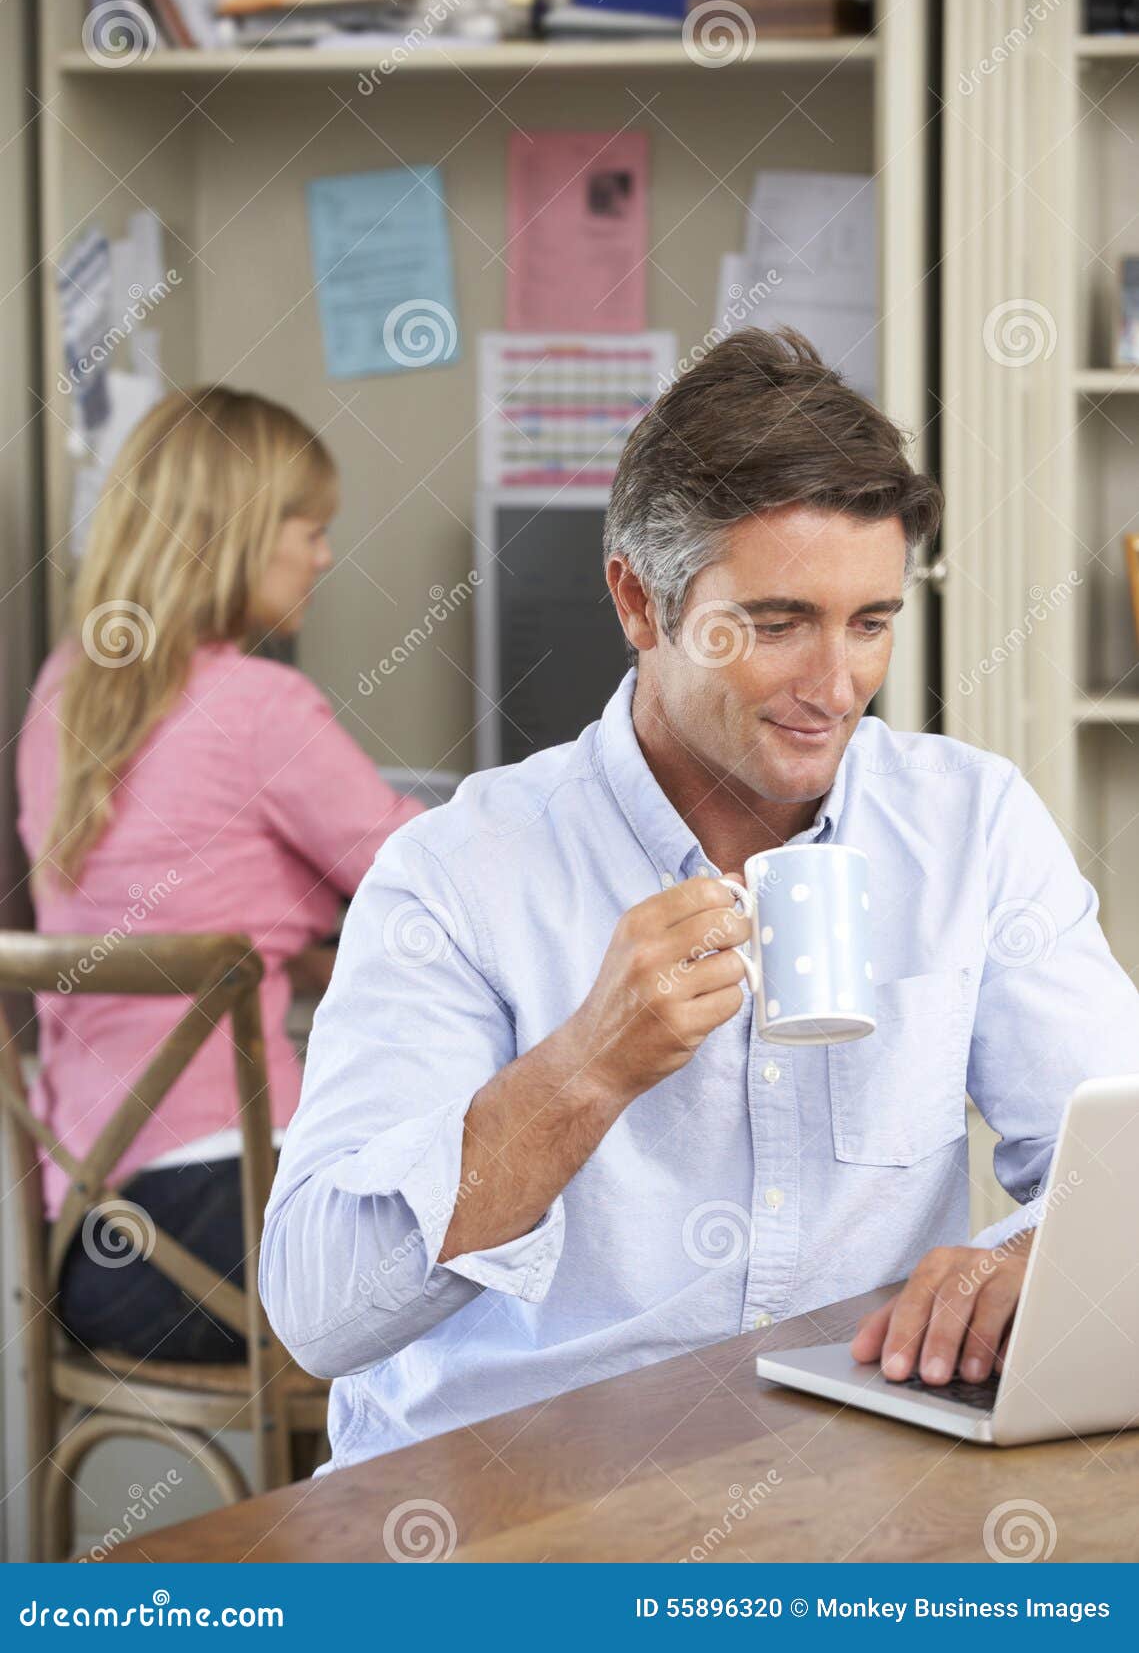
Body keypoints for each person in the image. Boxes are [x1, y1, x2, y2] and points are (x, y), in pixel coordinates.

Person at [260, 328, 1139, 1472]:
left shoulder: (967, 825)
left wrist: (1032, 1261)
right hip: (512, 1508)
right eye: (775, 624)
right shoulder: (456, 870)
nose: (834, 688)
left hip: (843, 1491)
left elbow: (1114, 1166)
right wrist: (584, 1067)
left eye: (868, 623)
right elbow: (323, 1314)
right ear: (638, 601)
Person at [16, 386, 424, 1363]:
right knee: (518, 1240)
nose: (323, 555)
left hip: (88, 1243)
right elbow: (423, 877)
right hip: (228, 1229)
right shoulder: (257, 707)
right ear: (236, 532)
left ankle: (329, 1514)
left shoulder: (62, 692)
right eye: (309, 527)